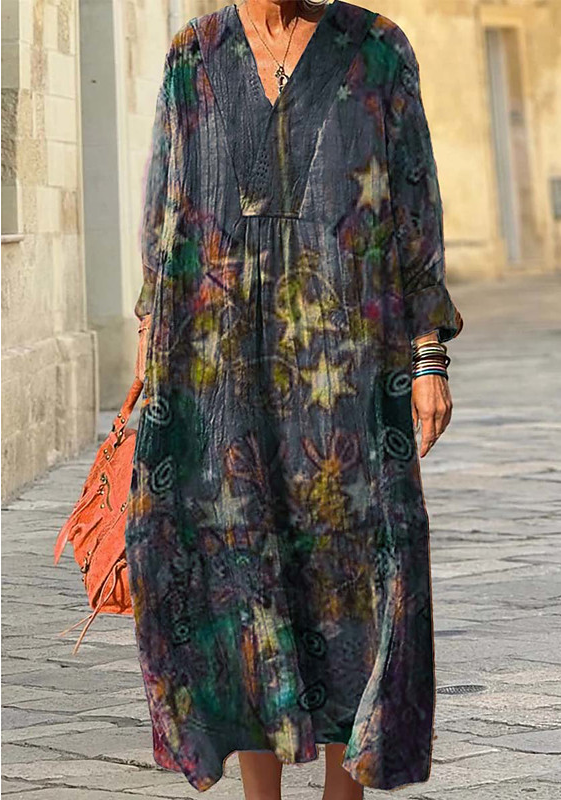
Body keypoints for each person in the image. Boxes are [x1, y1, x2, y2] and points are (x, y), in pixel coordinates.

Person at [126, 1, 464, 797]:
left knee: (355, 580)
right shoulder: (194, 56)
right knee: (241, 578)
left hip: (350, 378)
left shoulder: (377, 51)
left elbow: (415, 206)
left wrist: (428, 354)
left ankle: (346, 790)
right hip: (219, 374)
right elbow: (164, 216)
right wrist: (150, 350)